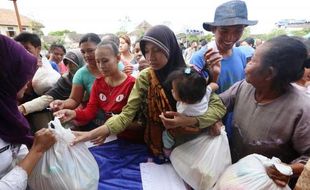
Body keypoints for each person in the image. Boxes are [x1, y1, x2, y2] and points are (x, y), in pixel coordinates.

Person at [66, 25, 226, 163]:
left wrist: (190, 120)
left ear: (170, 47)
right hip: (159, 147)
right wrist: (90, 135)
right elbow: (126, 115)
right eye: (146, 51)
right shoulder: (146, 77)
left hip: (192, 145)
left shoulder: (189, 74)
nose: (151, 57)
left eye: (157, 50)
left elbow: (217, 107)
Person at [218, 35, 310, 188]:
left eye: (253, 60)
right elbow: (218, 105)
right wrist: (212, 119)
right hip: (234, 176)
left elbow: (308, 158)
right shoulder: (243, 87)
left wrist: (288, 170)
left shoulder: (301, 108)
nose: (247, 64)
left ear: (269, 73)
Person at [54, 40, 144, 143]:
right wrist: (73, 113)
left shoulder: (132, 85)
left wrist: (106, 129)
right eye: (98, 61)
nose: (101, 66)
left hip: (132, 141)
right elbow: (90, 112)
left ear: (118, 58)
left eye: (105, 61)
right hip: (110, 139)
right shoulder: (98, 84)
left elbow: (140, 124)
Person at [0, 34, 56, 190]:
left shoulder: (8, 111)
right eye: (22, 74)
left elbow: (18, 149)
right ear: (6, 74)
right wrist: (37, 150)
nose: (28, 82)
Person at [196, 0, 257, 137]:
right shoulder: (200, 58)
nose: (230, 37)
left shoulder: (241, 54)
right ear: (213, 29)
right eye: (224, 31)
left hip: (237, 122)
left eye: (238, 31)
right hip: (209, 125)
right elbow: (193, 97)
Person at [162, 67, 219, 156]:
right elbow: (215, 85)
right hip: (205, 127)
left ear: (184, 99)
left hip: (189, 131)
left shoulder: (184, 109)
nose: (171, 90)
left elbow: (179, 122)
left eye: (174, 91)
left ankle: (167, 150)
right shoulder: (205, 93)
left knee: (166, 134)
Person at [18, 49, 85, 116]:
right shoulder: (65, 80)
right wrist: (24, 108)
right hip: (70, 116)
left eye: (73, 63)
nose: (70, 66)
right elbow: (48, 98)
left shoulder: (89, 77)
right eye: (67, 63)